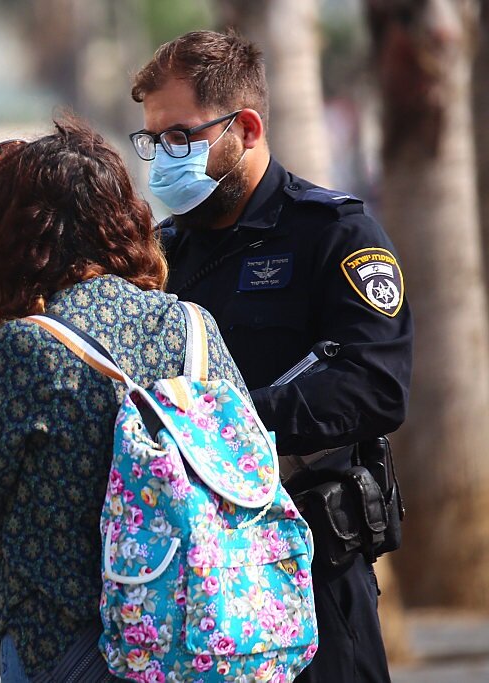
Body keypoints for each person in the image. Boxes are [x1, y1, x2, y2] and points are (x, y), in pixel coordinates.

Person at [0, 116, 253, 682]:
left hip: (62, 641)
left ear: (13, 238)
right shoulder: (193, 326)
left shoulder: (26, 349)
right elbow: (245, 459)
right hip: (195, 630)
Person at [129, 29, 413, 682]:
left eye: (180, 137)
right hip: (194, 581)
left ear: (247, 127)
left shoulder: (334, 234)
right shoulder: (166, 253)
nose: (163, 157)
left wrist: (230, 426)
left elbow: (377, 385)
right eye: (153, 140)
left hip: (312, 572)